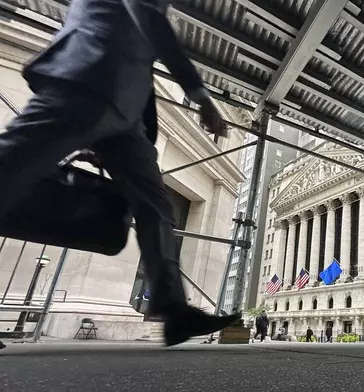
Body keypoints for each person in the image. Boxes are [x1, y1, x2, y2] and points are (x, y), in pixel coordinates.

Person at [0, 0, 240, 347]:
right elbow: (153, 25)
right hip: (86, 80)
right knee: (8, 172)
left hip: (123, 115)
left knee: (156, 206)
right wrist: (200, 97)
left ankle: (173, 310)